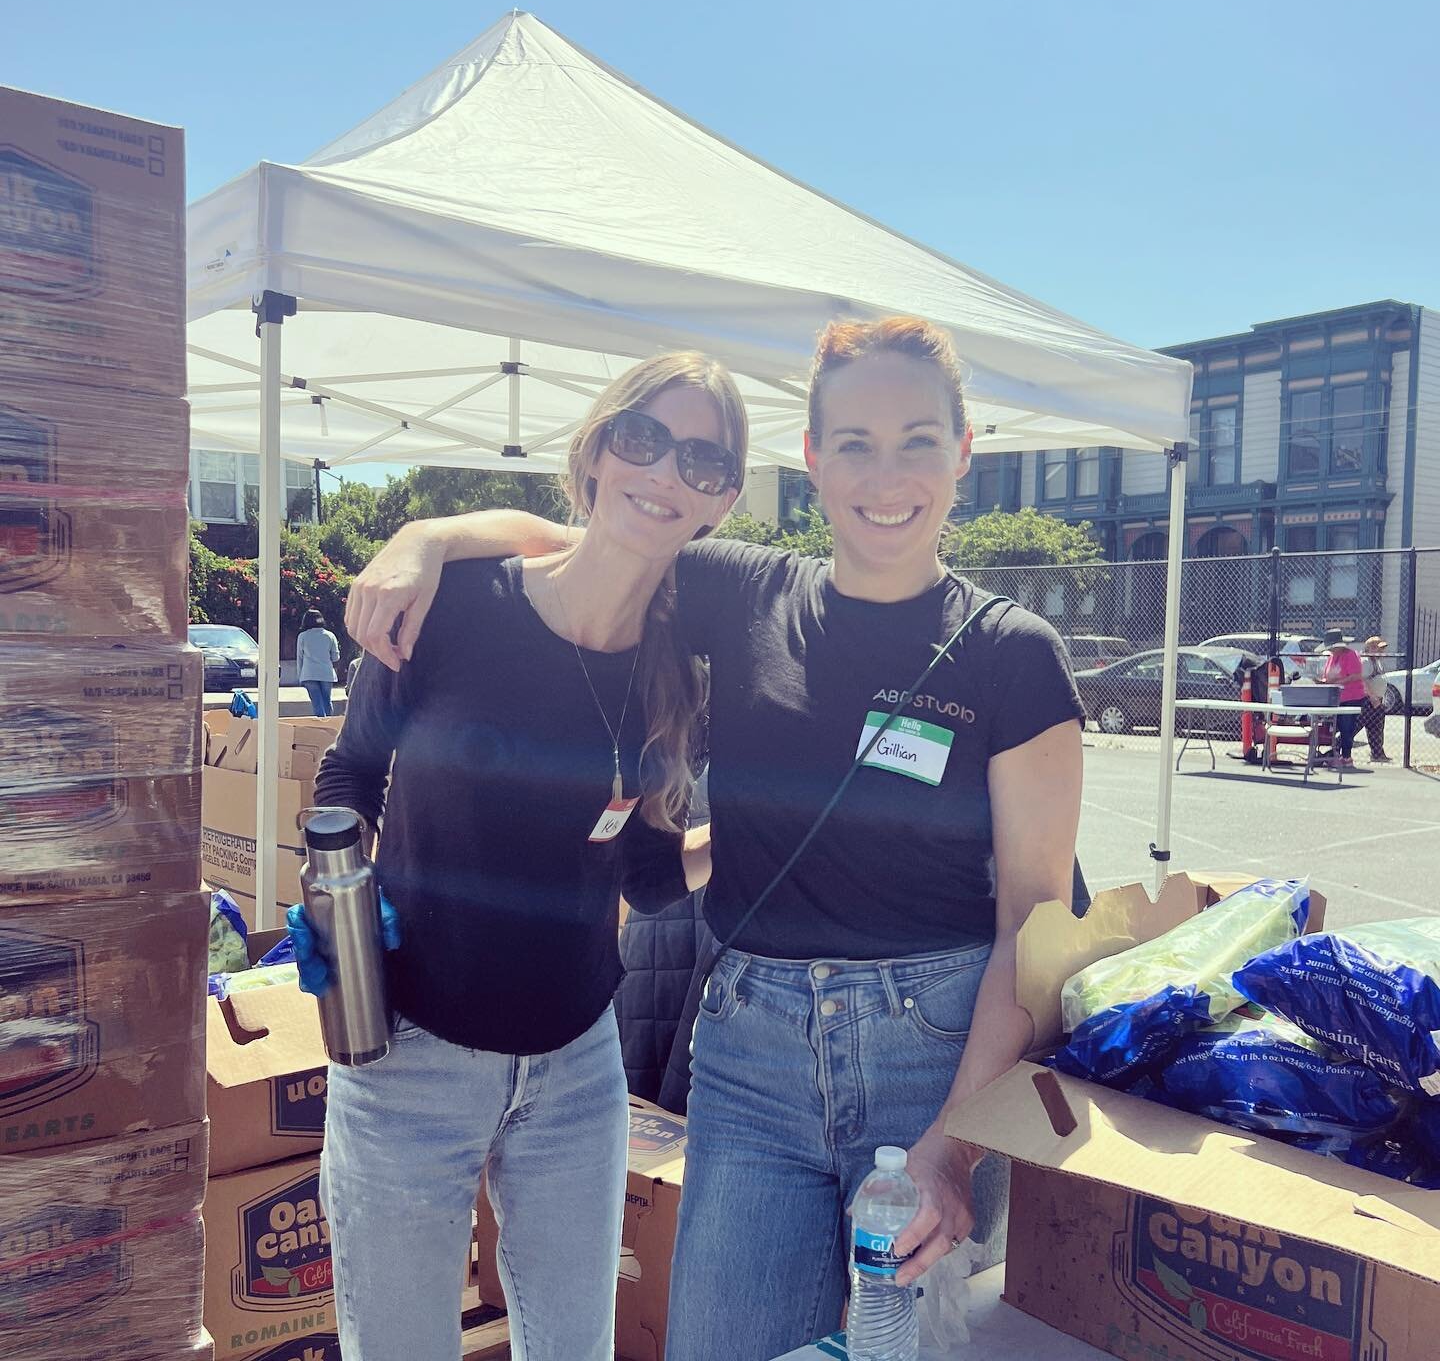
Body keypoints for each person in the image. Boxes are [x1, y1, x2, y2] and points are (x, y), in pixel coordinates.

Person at [344, 316, 1084, 1361]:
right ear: (814, 459)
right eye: (856, 444)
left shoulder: (1015, 657)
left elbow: (1035, 925)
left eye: (919, 439)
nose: (887, 474)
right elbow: (590, 537)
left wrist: (953, 1150)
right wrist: (428, 537)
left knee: (906, 1349)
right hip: (751, 1056)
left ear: (964, 453)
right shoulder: (739, 592)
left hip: (933, 1054)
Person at [303, 353, 746, 1361]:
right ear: (595, 449)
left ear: (720, 502)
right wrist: (334, 893)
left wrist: (750, 845)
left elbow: (638, 874)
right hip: (407, 1053)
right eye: (644, 439)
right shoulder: (453, 603)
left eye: (704, 462)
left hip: (577, 1072)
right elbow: (351, 772)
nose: (667, 473)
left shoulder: (679, 677)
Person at [1320, 628, 1365, 767]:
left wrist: (1337, 682)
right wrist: (1323, 682)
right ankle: (1336, 754)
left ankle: (1347, 757)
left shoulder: (1351, 655)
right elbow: (1327, 676)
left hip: (1351, 697)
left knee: (1347, 727)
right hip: (1335, 698)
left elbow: (1356, 675)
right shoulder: (1332, 658)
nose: (1331, 650)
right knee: (1337, 727)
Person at [296, 608, 340, 716]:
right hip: (326, 673)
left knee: (317, 703)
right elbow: (336, 657)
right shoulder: (330, 635)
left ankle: (320, 725)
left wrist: (300, 676)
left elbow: (300, 657)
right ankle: (329, 725)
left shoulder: (302, 636)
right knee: (327, 701)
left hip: (309, 673)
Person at [1360, 636, 1392, 762]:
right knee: (1356, 727)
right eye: (1379, 649)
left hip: (1377, 700)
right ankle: (1337, 747)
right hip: (1368, 700)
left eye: (1382, 649)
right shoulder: (1366, 662)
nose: (1382, 652)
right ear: (1370, 648)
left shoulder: (1377, 661)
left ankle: (1377, 753)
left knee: (1376, 728)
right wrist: (1372, 697)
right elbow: (1362, 680)